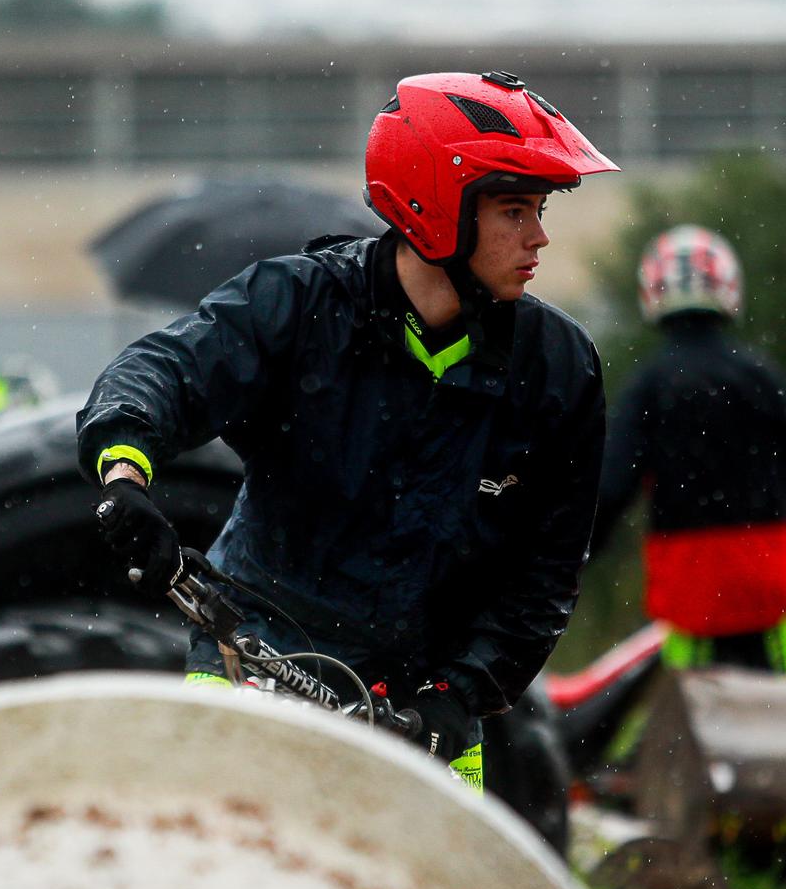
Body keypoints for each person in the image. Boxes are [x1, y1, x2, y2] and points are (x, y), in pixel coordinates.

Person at [77, 70, 619, 791]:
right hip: (253, 657)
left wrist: (459, 697)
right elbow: (165, 369)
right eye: (515, 210)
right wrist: (124, 474)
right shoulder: (297, 304)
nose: (539, 237)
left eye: (539, 209)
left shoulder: (559, 367)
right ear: (435, 206)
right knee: (228, 881)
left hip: (429, 711)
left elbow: (546, 577)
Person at [591, 225, 786, 674]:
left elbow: (613, 483)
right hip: (766, 570)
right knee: (784, 709)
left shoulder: (649, 385)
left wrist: (583, 550)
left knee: (691, 717)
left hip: (688, 580)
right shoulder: (762, 374)